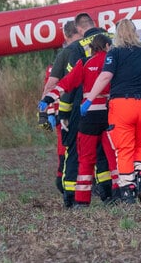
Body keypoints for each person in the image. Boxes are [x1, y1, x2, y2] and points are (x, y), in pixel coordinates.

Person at [83, 19, 141, 204]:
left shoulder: (114, 53)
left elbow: (106, 76)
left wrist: (89, 99)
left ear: (117, 34)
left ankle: (128, 192)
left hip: (124, 105)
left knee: (124, 150)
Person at [40, 34, 116, 208]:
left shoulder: (84, 63)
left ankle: (81, 201)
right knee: (112, 157)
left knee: (86, 159)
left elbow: (65, 84)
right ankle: (119, 193)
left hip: (88, 117)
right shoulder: (113, 61)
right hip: (110, 115)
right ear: (106, 46)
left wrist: (48, 100)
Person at [58, 12, 111, 207]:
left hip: (83, 109)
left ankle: (72, 197)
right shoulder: (111, 40)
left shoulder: (77, 47)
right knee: (107, 152)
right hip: (110, 106)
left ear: (79, 29)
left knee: (77, 153)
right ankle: (110, 193)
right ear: (94, 24)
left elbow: (71, 83)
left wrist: (64, 112)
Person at [39, 20, 80, 197]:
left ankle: (66, 180)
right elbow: (51, 88)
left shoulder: (61, 59)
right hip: (73, 109)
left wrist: (43, 112)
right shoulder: (81, 52)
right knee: (72, 147)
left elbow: (50, 88)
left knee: (67, 146)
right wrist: (45, 113)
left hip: (63, 111)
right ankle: (65, 181)